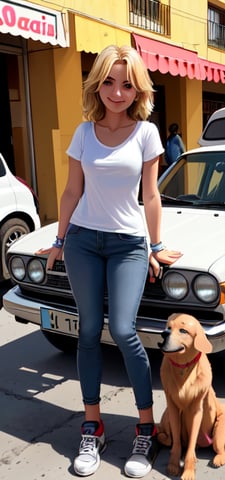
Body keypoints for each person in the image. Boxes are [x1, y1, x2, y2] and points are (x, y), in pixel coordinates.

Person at [37, 44, 181, 478]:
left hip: (127, 245)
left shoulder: (147, 134)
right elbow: (71, 192)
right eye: (108, 82)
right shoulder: (83, 133)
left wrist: (155, 247)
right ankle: (92, 424)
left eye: (127, 84)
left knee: (122, 329)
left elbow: (150, 195)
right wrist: (60, 239)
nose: (117, 92)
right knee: (86, 330)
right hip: (82, 240)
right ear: (97, 84)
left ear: (138, 89)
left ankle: (144, 427)